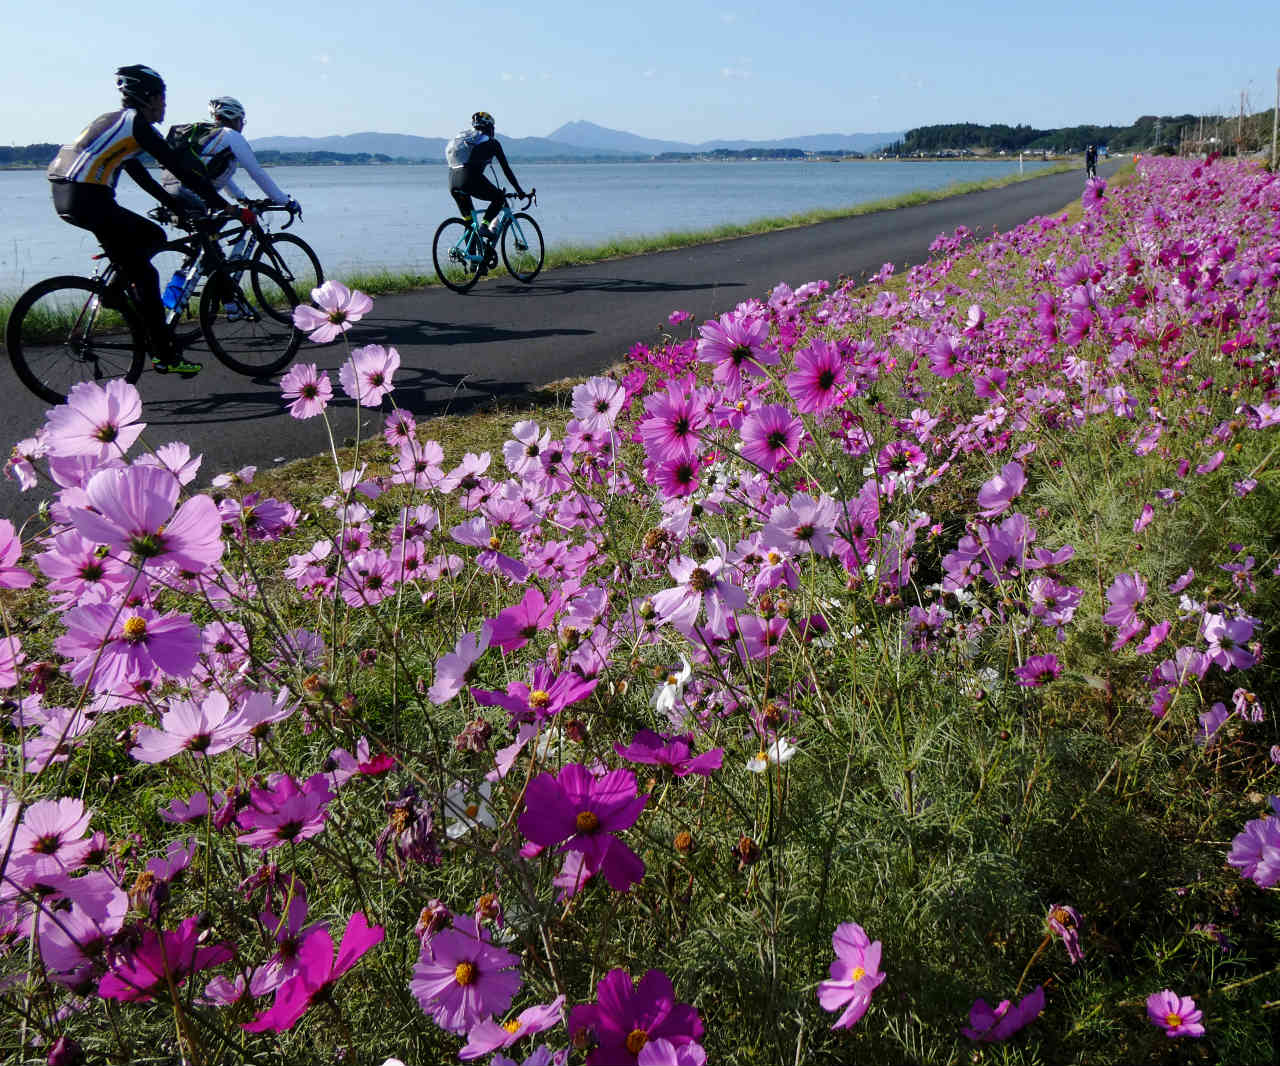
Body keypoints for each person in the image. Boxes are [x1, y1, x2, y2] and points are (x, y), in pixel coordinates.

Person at [46, 65, 229, 376]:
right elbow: (180, 168)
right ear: (147, 98)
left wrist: (171, 203)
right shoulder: (138, 125)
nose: (165, 105)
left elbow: (137, 171)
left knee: (153, 236)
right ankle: (164, 355)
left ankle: (116, 292)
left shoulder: (115, 122)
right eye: (162, 97)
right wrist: (223, 205)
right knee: (146, 275)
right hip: (88, 197)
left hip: (67, 192)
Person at [162, 96, 300, 214]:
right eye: (242, 120)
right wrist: (285, 201)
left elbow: (217, 173)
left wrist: (241, 198)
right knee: (230, 220)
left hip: (173, 192)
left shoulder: (210, 136)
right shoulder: (231, 135)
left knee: (210, 235)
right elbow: (257, 173)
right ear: (234, 118)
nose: (242, 125)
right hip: (194, 196)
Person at [446, 111, 528, 270]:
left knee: (469, 222)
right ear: (490, 127)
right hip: (468, 177)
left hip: (452, 180)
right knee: (498, 198)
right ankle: (485, 225)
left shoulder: (466, 140)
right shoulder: (492, 143)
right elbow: (506, 170)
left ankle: (475, 262)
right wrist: (520, 191)